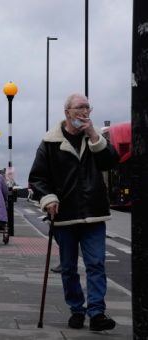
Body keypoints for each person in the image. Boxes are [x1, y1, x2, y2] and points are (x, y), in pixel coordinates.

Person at [28, 93, 119, 331]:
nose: (85, 111)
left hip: (94, 212)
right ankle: (76, 309)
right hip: (64, 215)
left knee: (96, 264)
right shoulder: (50, 143)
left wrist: (93, 135)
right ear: (67, 112)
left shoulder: (95, 139)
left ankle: (97, 312)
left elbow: (111, 161)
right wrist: (48, 199)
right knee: (68, 267)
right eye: (80, 107)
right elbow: (37, 178)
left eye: (88, 107)